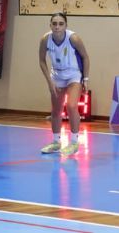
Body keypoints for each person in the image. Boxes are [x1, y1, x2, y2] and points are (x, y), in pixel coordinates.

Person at [38, 12, 91, 155]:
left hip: (73, 74)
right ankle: (56, 142)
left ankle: (74, 143)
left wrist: (86, 79)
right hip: (57, 75)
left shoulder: (73, 38)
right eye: (54, 24)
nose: (57, 27)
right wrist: (50, 82)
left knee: (72, 106)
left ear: (66, 26)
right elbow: (42, 61)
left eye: (61, 24)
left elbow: (86, 57)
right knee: (56, 110)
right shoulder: (45, 39)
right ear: (50, 25)